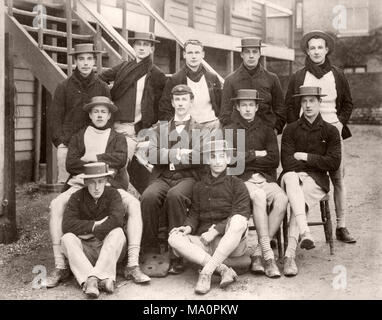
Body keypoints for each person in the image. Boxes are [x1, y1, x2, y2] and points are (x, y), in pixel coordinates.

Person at [46, 96, 149, 288]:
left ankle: (132, 264)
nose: (99, 115)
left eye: (103, 111)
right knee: (56, 204)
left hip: (108, 183)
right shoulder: (80, 135)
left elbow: (119, 159)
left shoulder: (117, 137)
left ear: (109, 114)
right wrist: (100, 163)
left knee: (134, 204)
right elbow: (71, 164)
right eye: (95, 112)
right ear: (90, 115)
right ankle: (60, 265)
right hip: (81, 183)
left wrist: (92, 156)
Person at [285, 30, 356, 243]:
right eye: (312, 48)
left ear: (326, 50)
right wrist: (294, 129)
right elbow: (290, 105)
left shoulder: (337, 74)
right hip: (305, 131)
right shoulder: (298, 76)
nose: (316, 51)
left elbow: (347, 103)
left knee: (338, 179)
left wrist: (339, 123)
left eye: (320, 47)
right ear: (307, 50)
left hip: (331, 130)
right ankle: (298, 228)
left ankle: (341, 225)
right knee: (302, 176)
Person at [168, 139, 251, 294]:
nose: (218, 161)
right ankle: (223, 269)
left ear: (228, 159)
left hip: (230, 241)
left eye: (222, 156)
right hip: (205, 241)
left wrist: (217, 230)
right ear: (207, 160)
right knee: (174, 237)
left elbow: (242, 212)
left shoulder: (237, 183)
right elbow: (194, 213)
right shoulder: (199, 185)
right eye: (213, 156)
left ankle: (206, 272)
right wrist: (188, 227)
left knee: (239, 220)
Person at [141, 84, 204, 274]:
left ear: (191, 102)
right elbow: (151, 154)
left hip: (188, 178)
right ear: (172, 102)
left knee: (175, 196)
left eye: (184, 99)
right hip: (164, 176)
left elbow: (200, 157)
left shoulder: (200, 129)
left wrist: (166, 154)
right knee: (148, 196)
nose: (181, 103)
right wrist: (178, 152)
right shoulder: (160, 128)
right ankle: (150, 249)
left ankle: (177, 253)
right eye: (177, 99)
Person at [224, 89, 288, 278]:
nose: (247, 109)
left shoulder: (267, 129)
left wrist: (245, 156)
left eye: (251, 105)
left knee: (282, 199)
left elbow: (274, 160)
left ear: (257, 107)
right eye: (243, 105)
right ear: (237, 106)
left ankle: (259, 252)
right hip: (242, 180)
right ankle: (268, 257)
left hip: (266, 179)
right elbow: (231, 160)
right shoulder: (230, 129)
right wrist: (256, 154)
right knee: (258, 196)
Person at [280, 86, 341, 276]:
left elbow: (333, 162)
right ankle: (305, 233)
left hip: (317, 181)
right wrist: (306, 168)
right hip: (292, 178)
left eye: (312, 101)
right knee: (290, 177)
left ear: (319, 102)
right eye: (304, 101)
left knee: (300, 200)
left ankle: (290, 256)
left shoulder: (330, 131)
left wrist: (305, 156)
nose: (307, 105)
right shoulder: (290, 129)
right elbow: (287, 162)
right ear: (300, 103)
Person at [61, 162, 126, 298]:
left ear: (106, 181)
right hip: (87, 252)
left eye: (100, 182)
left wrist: (91, 231)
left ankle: (90, 280)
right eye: (92, 183)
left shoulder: (113, 195)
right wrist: (94, 224)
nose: (97, 187)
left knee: (118, 232)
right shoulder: (77, 197)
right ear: (85, 182)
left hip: (108, 249)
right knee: (67, 238)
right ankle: (99, 280)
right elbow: (67, 225)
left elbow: (117, 220)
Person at [99, 31, 167, 162]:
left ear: (151, 49)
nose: (141, 48)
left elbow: (162, 104)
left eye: (146, 45)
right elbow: (101, 79)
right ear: (134, 47)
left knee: (120, 162)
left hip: (137, 128)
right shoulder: (124, 67)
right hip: (116, 124)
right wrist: (108, 98)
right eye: (138, 44)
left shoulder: (157, 74)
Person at [50, 43, 110, 184]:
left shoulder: (102, 87)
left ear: (94, 61)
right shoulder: (64, 87)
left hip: (94, 146)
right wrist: (60, 142)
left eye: (89, 59)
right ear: (75, 61)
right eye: (81, 59)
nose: (85, 63)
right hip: (68, 144)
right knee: (67, 186)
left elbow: (107, 117)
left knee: (94, 183)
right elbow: (55, 117)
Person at [219, 37, 286, 135]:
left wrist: (275, 129)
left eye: (254, 52)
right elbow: (225, 112)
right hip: (239, 134)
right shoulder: (231, 80)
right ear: (242, 54)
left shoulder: (272, 78)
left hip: (265, 133)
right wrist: (232, 132)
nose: (251, 56)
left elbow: (280, 109)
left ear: (259, 54)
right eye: (247, 52)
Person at [158, 39, 222, 130]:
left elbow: (221, 105)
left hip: (212, 125)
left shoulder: (212, 78)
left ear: (202, 54)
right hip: (188, 127)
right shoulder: (175, 79)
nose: (193, 56)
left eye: (197, 52)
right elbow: (164, 108)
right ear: (184, 55)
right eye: (190, 53)